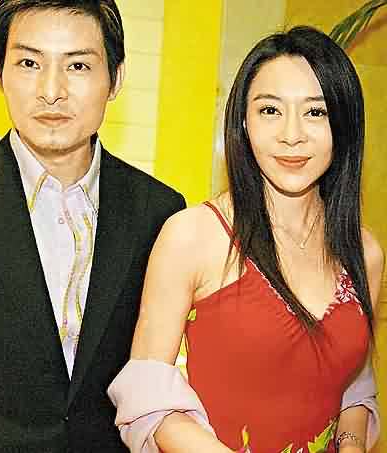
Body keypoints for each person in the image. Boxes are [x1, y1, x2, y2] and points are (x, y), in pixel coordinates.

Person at [108, 26, 384, 453]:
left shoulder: (364, 253)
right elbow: (146, 400)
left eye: (316, 112)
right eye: (270, 110)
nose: (292, 134)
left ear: (344, 124)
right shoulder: (192, 236)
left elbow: (351, 379)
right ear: (243, 121)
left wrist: (350, 443)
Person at [0, 1, 185, 452]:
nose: (51, 91)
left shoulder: (159, 212)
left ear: (116, 78)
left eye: (77, 65)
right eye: (29, 63)